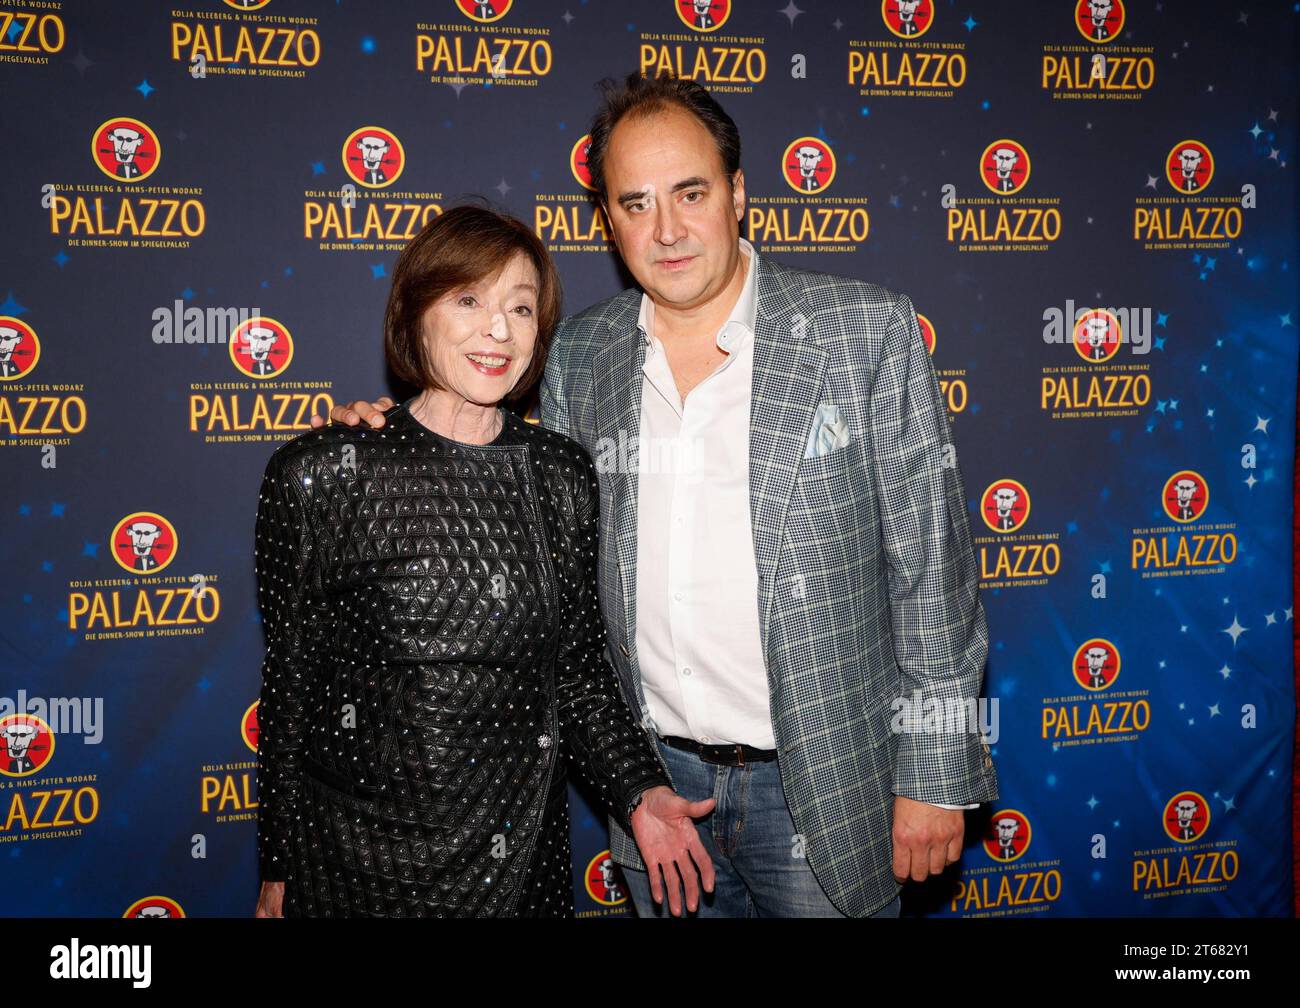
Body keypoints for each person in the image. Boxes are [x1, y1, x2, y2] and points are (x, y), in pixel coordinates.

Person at [322, 72, 998, 918]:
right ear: (607, 220)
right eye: (635, 204)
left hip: (827, 781)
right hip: (652, 794)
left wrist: (936, 770)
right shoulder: (579, 356)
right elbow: (505, 488)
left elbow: (933, 573)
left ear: (738, 193)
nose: (667, 230)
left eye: (690, 193)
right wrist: (386, 439)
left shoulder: (863, 332)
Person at [253, 203, 715, 918]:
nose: (497, 330)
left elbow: (581, 672)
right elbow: (291, 686)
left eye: (521, 307)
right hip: (353, 868)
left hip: (518, 862)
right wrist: (279, 864)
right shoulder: (320, 473)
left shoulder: (560, 473)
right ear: (415, 311)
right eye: (469, 299)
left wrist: (641, 792)